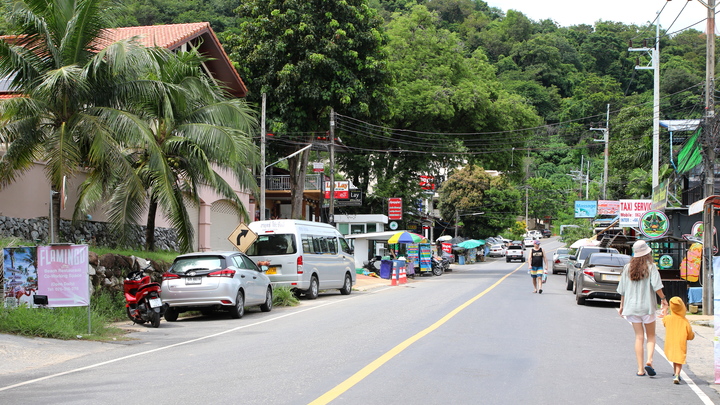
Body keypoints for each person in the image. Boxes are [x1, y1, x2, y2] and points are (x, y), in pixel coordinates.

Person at [617, 239, 668, 377]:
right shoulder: (651, 267)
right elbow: (657, 286)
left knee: (639, 337)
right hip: (647, 307)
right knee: (650, 336)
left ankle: (640, 369)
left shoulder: (628, 267)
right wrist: (663, 299)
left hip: (632, 308)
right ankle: (649, 361)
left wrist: (622, 305)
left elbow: (622, 289)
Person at [663, 296, 695, 384]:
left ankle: (675, 373)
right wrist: (692, 336)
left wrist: (665, 310)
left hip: (670, 342)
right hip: (680, 342)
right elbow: (690, 334)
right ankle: (677, 374)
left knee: (674, 359)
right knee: (679, 360)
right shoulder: (684, 321)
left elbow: (664, 321)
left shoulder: (669, 319)